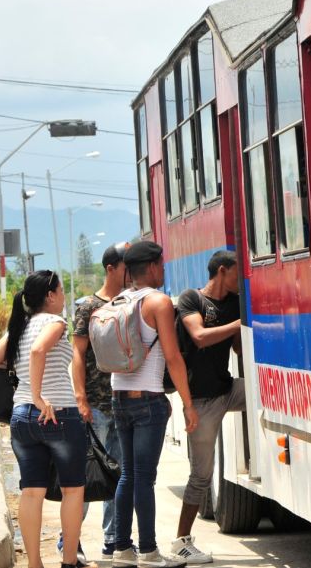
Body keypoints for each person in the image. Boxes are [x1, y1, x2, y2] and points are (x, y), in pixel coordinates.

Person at [0, 270, 93, 568]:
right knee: (72, 489)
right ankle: (69, 561)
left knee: (32, 491)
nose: (63, 297)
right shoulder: (55, 322)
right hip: (57, 414)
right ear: (50, 295)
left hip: (21, 417)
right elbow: (38, 350)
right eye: (60, 290)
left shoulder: (19, 326)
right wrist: (40, 395)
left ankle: (34, 563)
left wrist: (28, 390)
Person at [110, 241, 199, 568]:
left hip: (119, 397)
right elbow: (173, 358)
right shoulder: (158, 302)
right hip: (147, 401)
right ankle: (148, 551)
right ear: (149, 267)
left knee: (128, 476)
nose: (163, 270)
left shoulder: (119, 300)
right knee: (144, 478)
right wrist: (188, 404)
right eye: (161, 265)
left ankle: (122, 549)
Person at [171, 250, 243, 564]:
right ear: (222, 271)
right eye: (237, 273)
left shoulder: (235, 302)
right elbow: (199, 336)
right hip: (201, 402)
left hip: (228, 390)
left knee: (267, 393)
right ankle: (181, 542)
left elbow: (240, 349)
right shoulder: (191, 299)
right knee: (201, 476)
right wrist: (240, 323)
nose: (241, 280)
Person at [69, 241, 131, 561]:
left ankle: (114, 539)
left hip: (124, 404)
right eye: (126, 267)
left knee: (118, 477)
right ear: (111, 269)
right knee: (86, 477)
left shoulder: (131, 303)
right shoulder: (88, 307)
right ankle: (71, 542)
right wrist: (80, 399)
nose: (130, 272)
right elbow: (77, 354)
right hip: (93, 406)